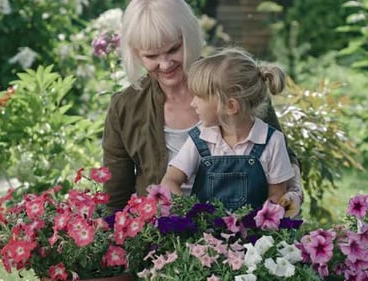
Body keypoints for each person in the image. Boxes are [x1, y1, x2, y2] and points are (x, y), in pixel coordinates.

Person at [102, 0, 303, 216]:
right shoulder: (125, 107)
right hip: (162, 234)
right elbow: (116, 198)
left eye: (173, 49)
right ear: (136, 53)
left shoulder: (233, 83)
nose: (166, 64)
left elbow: (282, 158)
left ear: (188, 37)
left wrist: (291, 196)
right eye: (151, 56)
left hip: (246, 232)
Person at [161, 48, 294, 210]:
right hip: (203, 233)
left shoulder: (272, 141)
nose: (193, 103)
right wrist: (186, 210)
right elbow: (170, 180)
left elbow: (277, 194)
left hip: (255, 234)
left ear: (230, 106)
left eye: (200, 97)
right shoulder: (201, 138)